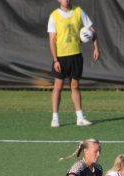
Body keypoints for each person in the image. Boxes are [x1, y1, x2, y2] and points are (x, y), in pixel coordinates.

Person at [48, 0, 99, 128]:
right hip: (61, 57)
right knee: (58, 87)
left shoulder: (78, 11)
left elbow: (92, 30)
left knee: (75, 86)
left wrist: (96, 47)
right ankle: (55, 118)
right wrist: (55, 60)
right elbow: (52, 39)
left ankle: (80, 118)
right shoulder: (54, 15)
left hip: (76, 55)